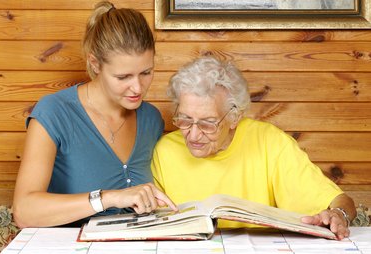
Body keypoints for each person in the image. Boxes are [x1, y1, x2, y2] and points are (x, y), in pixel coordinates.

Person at [151, 56, 356, 240]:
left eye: (207, 123)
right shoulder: (165, 151)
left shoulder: (270, 142)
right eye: (185, 120)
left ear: (235, 117)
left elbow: (341, 201)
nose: (193, 135)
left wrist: (339, 215)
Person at [13, 1, 177, 228]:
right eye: (123, 77)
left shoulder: (151, 119)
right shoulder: (54, 113)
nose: (138, 88)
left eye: (146, 73)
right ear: (95, 63)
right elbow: (24, 211)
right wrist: (108, 198)